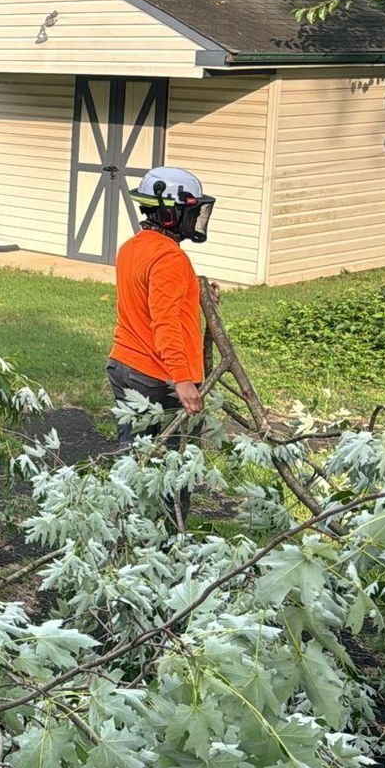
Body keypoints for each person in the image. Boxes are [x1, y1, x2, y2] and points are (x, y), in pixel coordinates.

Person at [108, 166, 216, 524]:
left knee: (134, 456)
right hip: (157, 377)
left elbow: (155, 301)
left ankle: (124, 525)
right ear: (170, 213)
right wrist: (182, 379)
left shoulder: (133, 248)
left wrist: (199, 294)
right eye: (190, 211)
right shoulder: (170, 258)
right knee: (171, 465)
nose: (195, 218)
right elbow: (165, 321)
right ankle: (169, 536)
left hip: (124, 364)